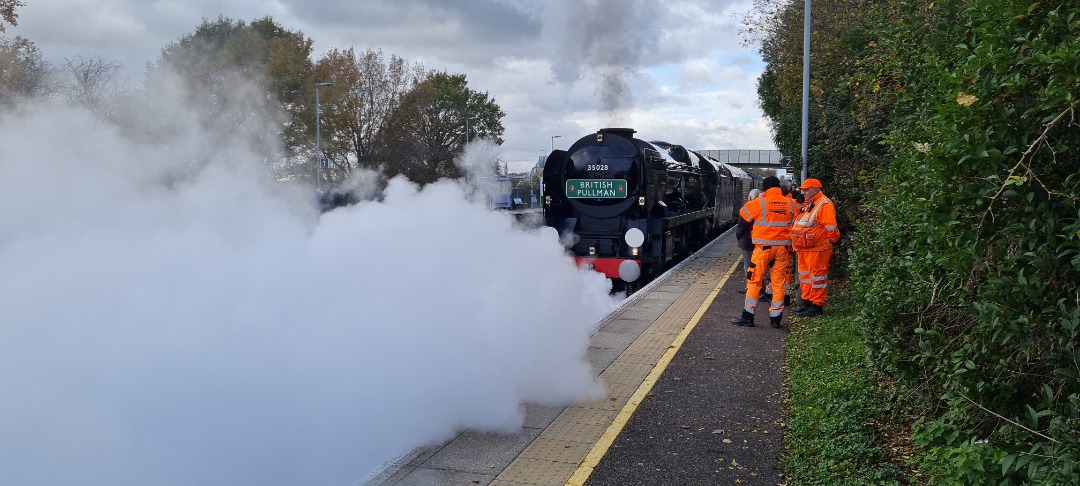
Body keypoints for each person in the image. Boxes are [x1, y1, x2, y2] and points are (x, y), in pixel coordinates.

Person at [730, 176, 796, 328]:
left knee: (754, 280)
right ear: (778, 187)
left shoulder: (759, 203)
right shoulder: (790, 204)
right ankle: (775, 319)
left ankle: (748, 316)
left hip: (763, 249)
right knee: (778, 283)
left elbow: (743, 214)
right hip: (782, 250)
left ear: (765, 189)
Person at [790, 178, 841, 317]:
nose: (804, 192)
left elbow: (831, 228)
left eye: (807, 189)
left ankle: (816, 306)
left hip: (817, 249)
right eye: (803, 190)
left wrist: (833, 240)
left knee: (817, 278)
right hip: (805, 249)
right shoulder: (810, 204)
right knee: (806, 278)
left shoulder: (824, 204)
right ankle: (807, 303)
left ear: (816, 189)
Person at [735, 188, 762, 293]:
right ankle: (759, 286)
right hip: (760, 242)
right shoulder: (764, 207)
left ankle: (751, 288)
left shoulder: (747, 208)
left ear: (750, 197)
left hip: (747, 242)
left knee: (749, 266)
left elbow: (740, 228)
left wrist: (739, 238)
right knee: (759, 266)